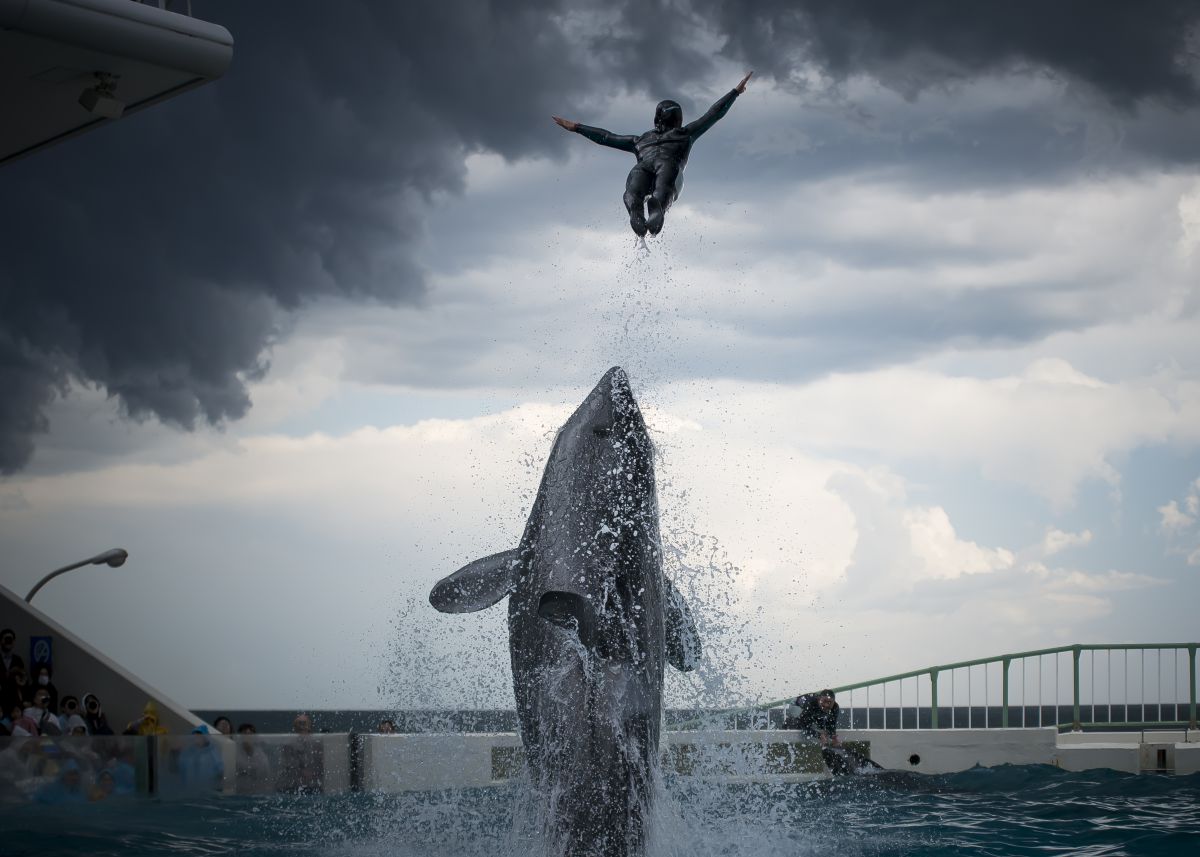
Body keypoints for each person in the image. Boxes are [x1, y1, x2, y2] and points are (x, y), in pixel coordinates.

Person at [553, 72, 752, 240]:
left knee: (632, 191)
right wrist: (735, 92)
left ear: (656, 118)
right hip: (669, 167)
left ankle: (635, 208)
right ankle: (658, 208)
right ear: (678, 119)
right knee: (663, 188)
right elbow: (713, 114)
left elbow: (606, 137)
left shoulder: (639, 140)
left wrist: (577, 127)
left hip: (643, 166)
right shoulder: (685, 134)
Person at [276, 713, 324, 795]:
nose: (302, 726)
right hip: (292, 787)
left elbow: (321, 765)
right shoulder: (288, 745)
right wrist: (301, 771)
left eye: (304, 723)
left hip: (313, 786)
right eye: (300, 723)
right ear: (295, 727)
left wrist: (313, 773)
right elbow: (286, 765)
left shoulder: (317, 744)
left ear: (309, 726)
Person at [177, 725, 224, 792]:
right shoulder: (189, 751)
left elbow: (220, 770)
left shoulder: (212, 751)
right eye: (195, 736)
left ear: (205, 737)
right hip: (190, 791)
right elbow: (182, 769)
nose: (197, 738)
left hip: (209, 791)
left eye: (199, 735)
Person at [234, 722, 272, 794]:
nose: (247, 737)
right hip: (238, 792)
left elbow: (267, 776)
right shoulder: (234, 753)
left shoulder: (261, 755)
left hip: (256, 792)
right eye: (245, 734)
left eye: (250, 734)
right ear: (240, 737)